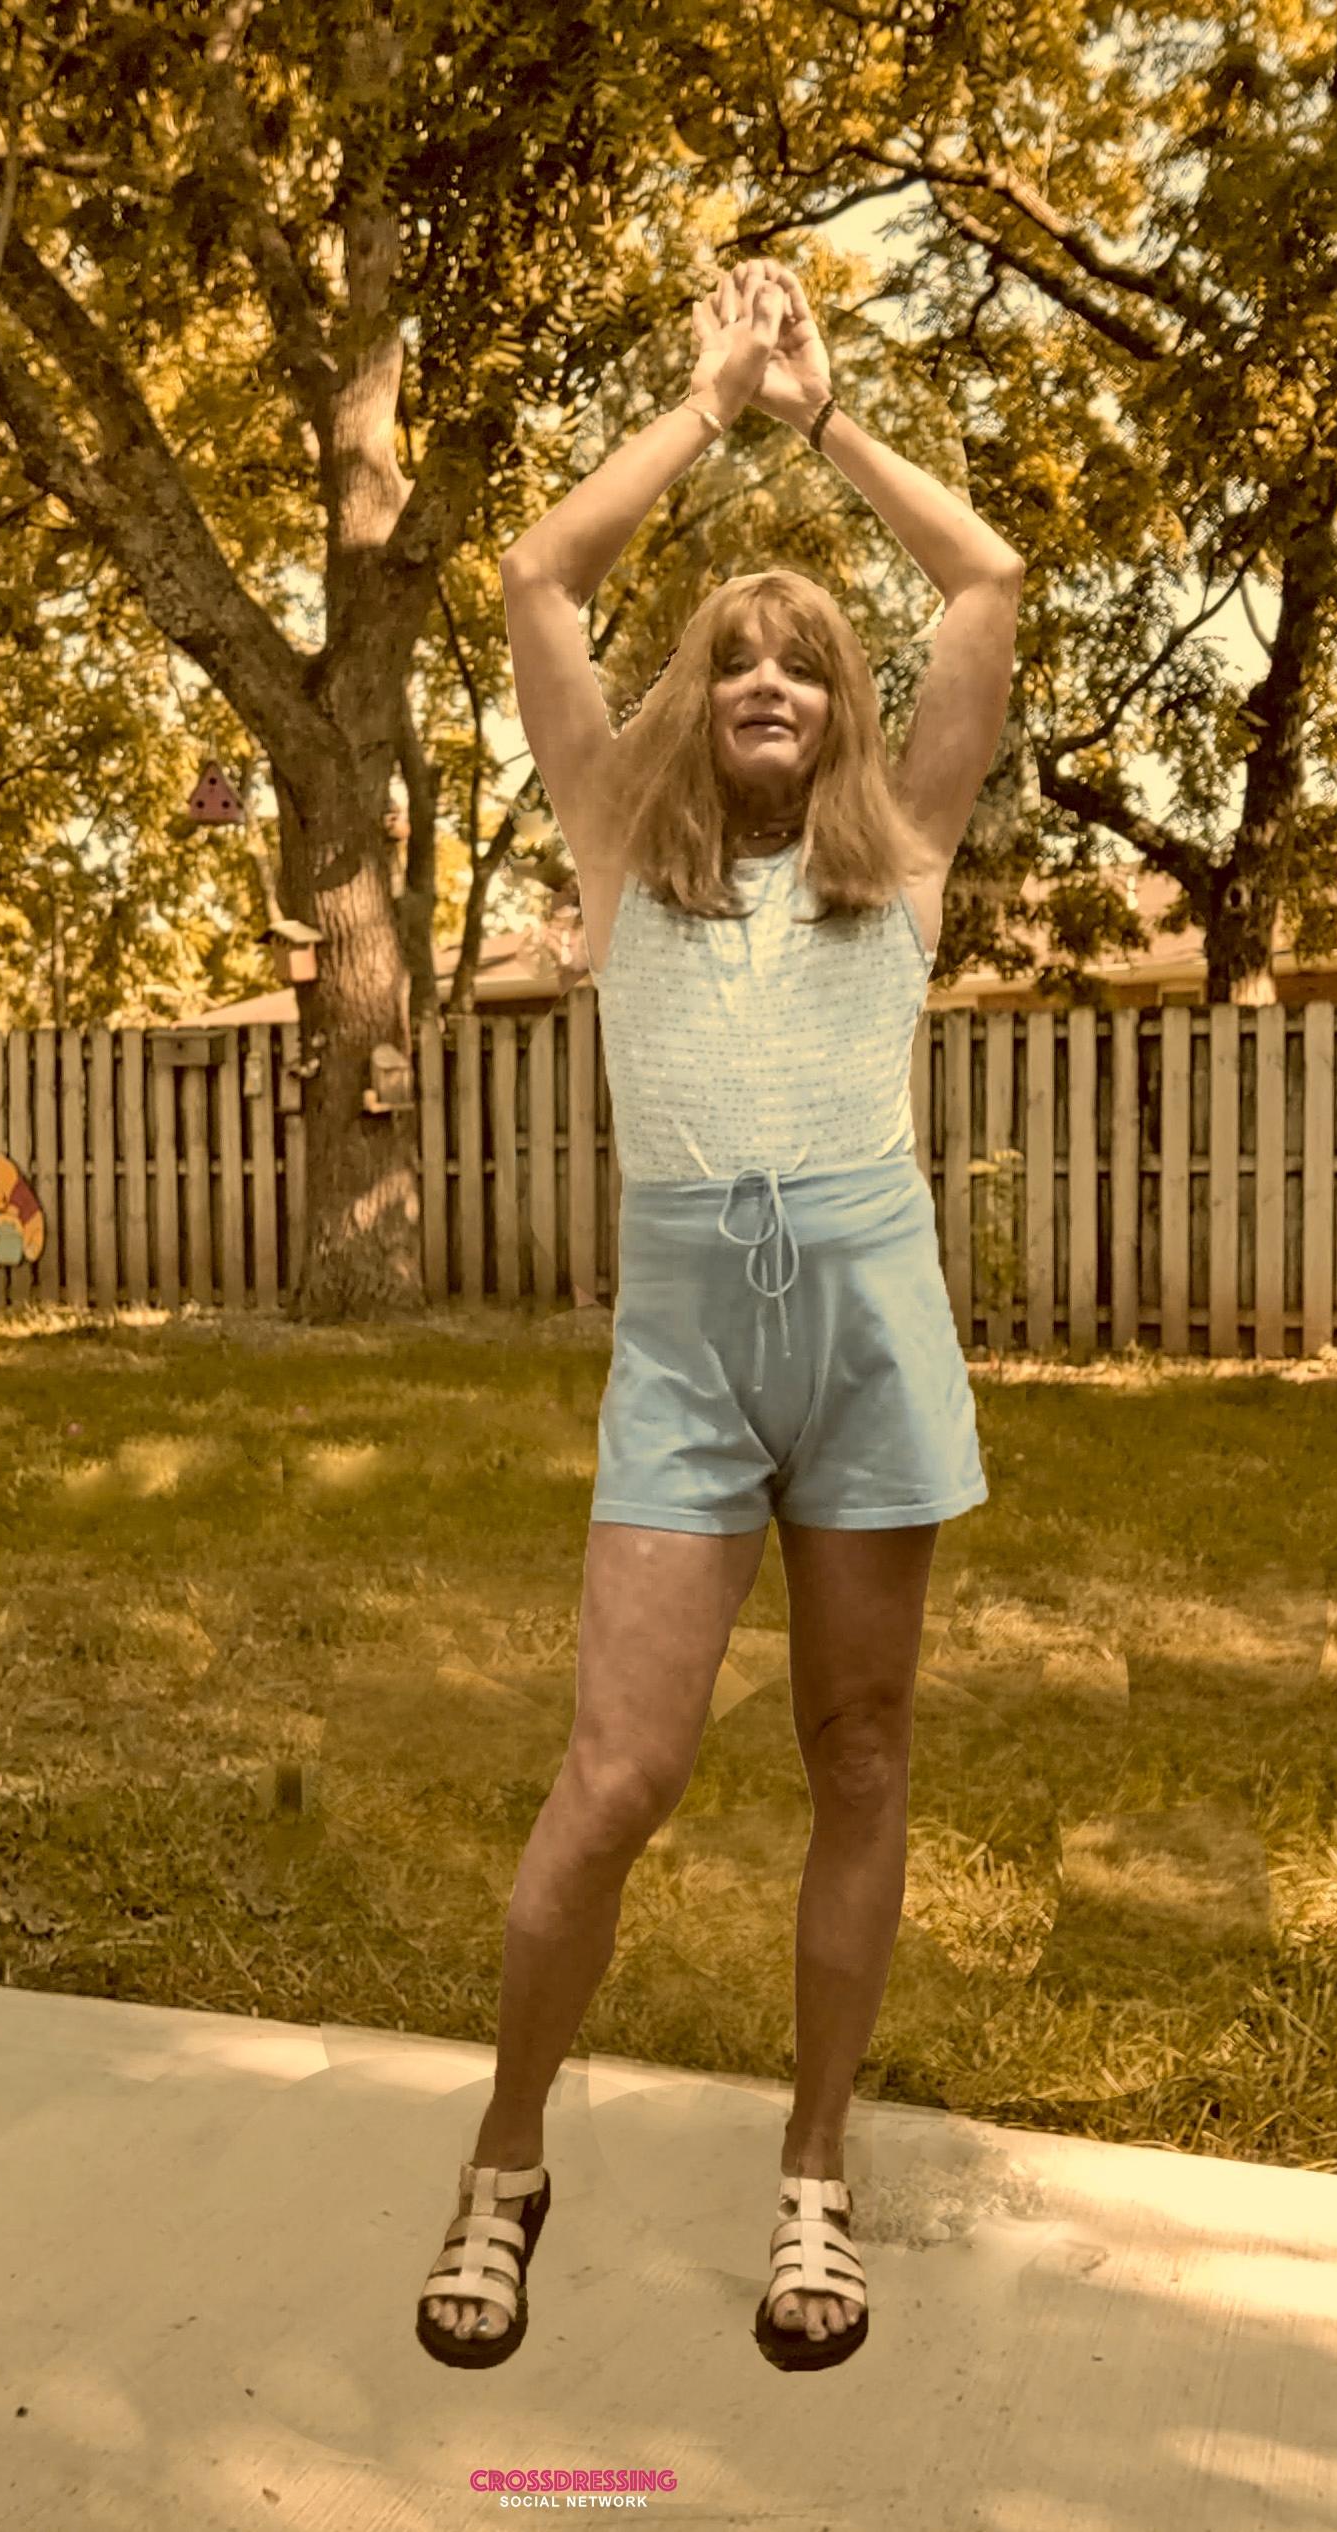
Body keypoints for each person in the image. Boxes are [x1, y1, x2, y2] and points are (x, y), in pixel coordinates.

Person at [417, 259, 1023, 2373]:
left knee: (860, 1748)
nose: (768, 676)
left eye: (803, 660)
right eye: (734, 654)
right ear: (696, 696)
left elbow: (983, 584)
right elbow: (537, 578)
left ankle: (814, 2183)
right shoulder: (614, 844)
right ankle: (505, 2167)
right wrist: (706, 406)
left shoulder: (907, 849)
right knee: (616, 1775)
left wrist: (824, 416)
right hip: (686, 1351)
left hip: (870, 1346)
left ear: (843, 707)